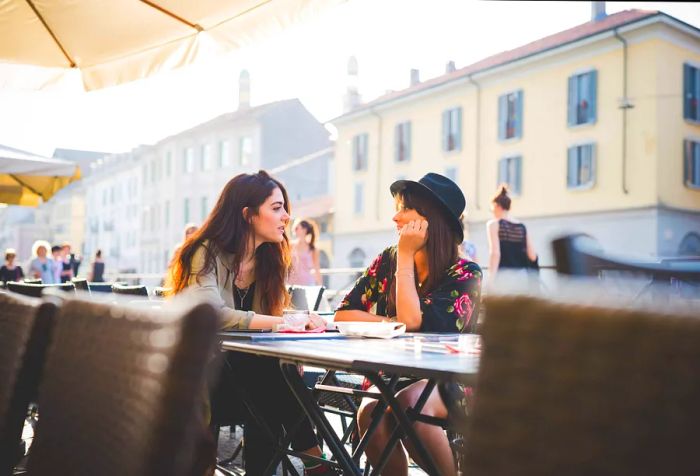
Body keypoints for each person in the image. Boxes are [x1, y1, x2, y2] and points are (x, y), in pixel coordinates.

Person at [166, 170, 332, 475]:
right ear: (247, 214)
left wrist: (298, 320)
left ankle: (309, 464)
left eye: (284, 207)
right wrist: (282, 324)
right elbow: (211, 313)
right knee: (270, 374)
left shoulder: (269, 260)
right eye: (276, 207)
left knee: (269, 374)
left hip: (248, 382)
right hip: (198, 384)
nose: (286, 216)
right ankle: (315, 461)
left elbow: (268, 320)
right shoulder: (204, 252)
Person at [335, 172, 482, 476]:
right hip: (391, 376)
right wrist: (391, 321)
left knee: (411, 405)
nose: (395, 217)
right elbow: (345, 312)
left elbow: (415, 324)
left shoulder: (465, 274)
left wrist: (405, 256)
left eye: (404, 209)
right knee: (370, 414)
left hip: (449, 380)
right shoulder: (387, 260)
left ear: (431, 220)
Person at [486, 184, 538, 284]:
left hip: (504, 277)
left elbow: (495, 253)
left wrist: (490, 280)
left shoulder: (493, 224)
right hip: (522, 278)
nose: (492, 211)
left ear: (497, 206)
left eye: (492, 208)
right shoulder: (521, 226)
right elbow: (532, 256)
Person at [289, 218, 322, 286]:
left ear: (304, 230)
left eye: (297, 228)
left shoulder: (313, 249)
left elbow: (317, 268)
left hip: (307, 284)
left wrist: (320, 287)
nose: (294, 230)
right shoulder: (290, 245)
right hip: (291, 283)